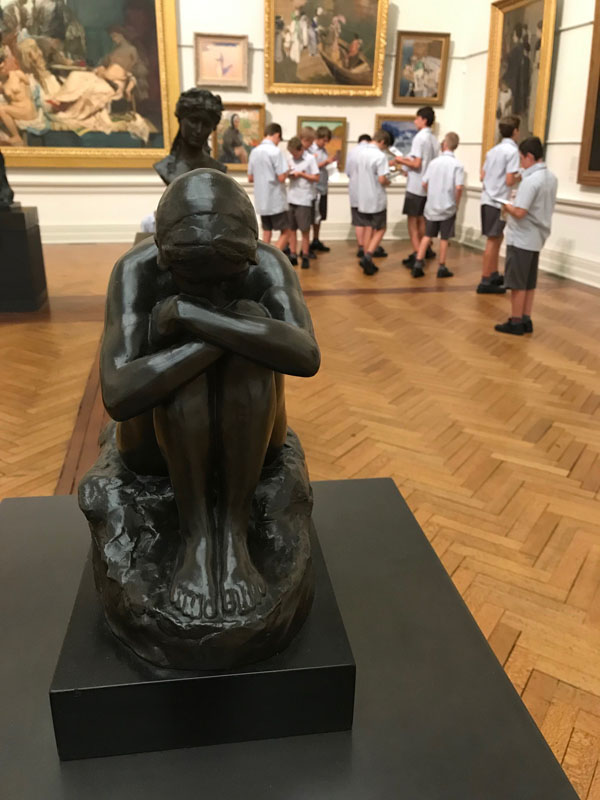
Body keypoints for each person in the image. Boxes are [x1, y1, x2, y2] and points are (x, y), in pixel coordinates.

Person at [100, 168, 320, 619]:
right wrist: (232, 334)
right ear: (163, 257)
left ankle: (233, 535)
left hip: (255, 437)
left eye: (228, 278)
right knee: (241, 331)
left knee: (247, 319)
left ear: (250, 254)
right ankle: (198, 537)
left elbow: (306, 356)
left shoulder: (267, 263)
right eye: (195, 283)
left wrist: (191, 315)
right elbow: (118, 395)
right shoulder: (135, 271)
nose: (215, 291)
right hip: (154, 447)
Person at [494, 136, 557, 335]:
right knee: (529, 282)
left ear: (529, 156)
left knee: (517, 283)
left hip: (522, 237)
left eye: (521, 159)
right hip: (537, 236)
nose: (521, 163)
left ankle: (516, 321)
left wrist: (506, 206)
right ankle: (526, 318)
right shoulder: (551, 178)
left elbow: (520, 212)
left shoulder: (531, 181)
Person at [477, 115, 521, 294]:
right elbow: (510, 180)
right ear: (515, 131)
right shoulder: (512, 152)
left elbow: (482, 176)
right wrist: (522, 175)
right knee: (493, 240)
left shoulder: (492, 151)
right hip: (498, 200)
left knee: (497, 237)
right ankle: (485, 279)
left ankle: (493, 273)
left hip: (487, 198)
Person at [411, 132, 464, 278]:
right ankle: (441, 266)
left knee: (427, 235)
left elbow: (424, 183)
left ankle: (418, 263)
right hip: (448, 205)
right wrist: (456, 203)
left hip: (432, 205)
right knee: (444, 238)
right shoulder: (457, 165)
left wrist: (432, 194)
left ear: (444, 144)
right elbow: (459, 187)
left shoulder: (433, 163)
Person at [394, 106, 440, 268]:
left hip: (415, 186)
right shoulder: (434, 139)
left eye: (417, 118)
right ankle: (424, 250)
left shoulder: (419, 138)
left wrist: (400, 160)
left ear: (424, 120)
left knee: (412, 222)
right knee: (422, 220)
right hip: (428, 185)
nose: (414, 121)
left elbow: (416, 163)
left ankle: (417, 255)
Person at [154, 88, 225, 185]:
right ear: (180, 120)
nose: (199, 130)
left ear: (213, 127)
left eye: (206, 124)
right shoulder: (165, 168)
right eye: (193, 121)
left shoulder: (217, 169)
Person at [354, 129, 391, 276]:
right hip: (376, 197)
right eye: (385, 146)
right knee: (381, 228)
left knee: (368, 227)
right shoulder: (380, 156)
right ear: (382, 142)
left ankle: (367, 260)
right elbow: (382, 179)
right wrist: (388, 182)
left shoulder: (361, 153)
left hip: (362, 196)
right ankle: (368, 255)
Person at [247, 122, 290, 249]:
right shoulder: (275, 151)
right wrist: (288, 171)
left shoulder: (254, 152)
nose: (278, 142)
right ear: (277, 135)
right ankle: (274, 257)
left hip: (261, 200)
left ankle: (263, 258)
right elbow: (281, 178)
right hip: (275, 199)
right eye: (279, 139)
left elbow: (250, 178)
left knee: (267, 231)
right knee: (286, 231)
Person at [286, 135, 319, 269]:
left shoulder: (310, 159)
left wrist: (301, 174)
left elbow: (316, 177)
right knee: (291, 228)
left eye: (295, 153)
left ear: (301, 150)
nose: (293, 156)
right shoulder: (289, 158)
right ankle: (293, 254)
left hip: (304, 199)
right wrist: (289, 173)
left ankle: (305, 255)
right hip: (291, 197)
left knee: (305, 229)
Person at [309, 125, 335, 254]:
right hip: (314, 188)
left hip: (323, 186)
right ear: (318, 137)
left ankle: (316, 239)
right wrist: (325, 163)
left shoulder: (323, 150)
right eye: (324, 140)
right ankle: (308, 243)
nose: (325, 143)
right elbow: (310, 167)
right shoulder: (310, 150)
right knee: (312, 216)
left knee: (319, 216)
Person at [345, 133, 371, 257]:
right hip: (370, 191)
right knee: (369, 221)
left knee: (359, 221)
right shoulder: (371, 152)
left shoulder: (352, 152)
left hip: (355, 190)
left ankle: (361, 245)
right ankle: (368, 247)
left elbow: (348, 172)